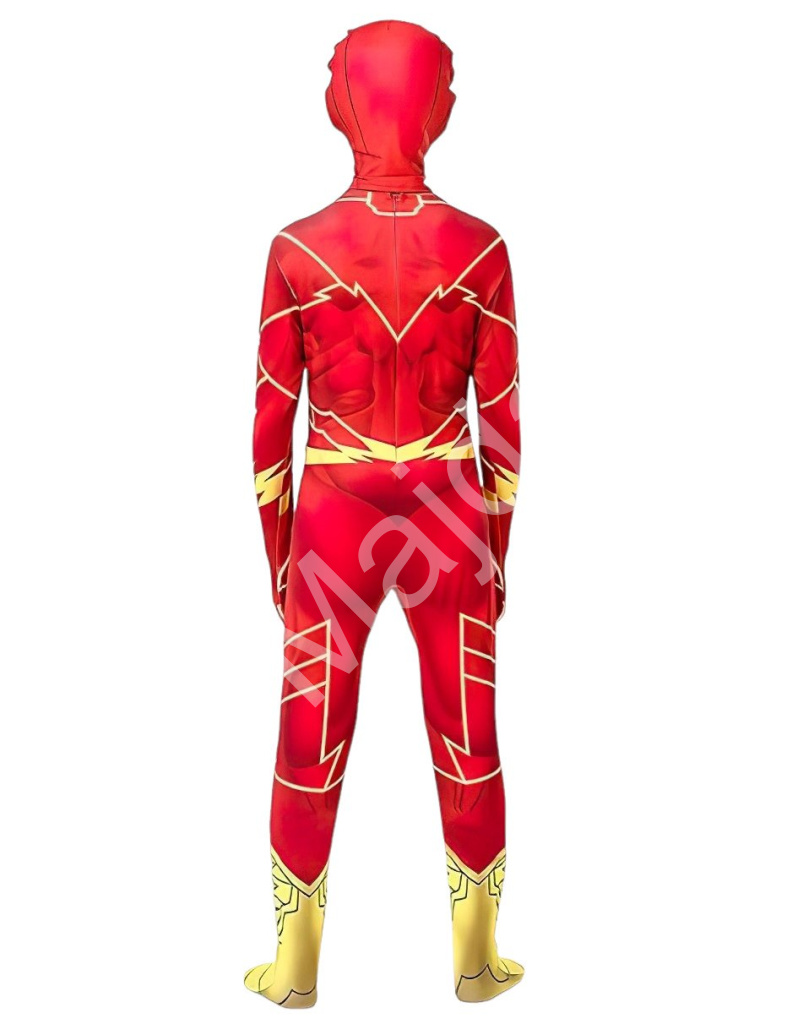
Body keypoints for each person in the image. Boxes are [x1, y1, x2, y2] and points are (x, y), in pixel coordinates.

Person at [244, 18, 523, 1006]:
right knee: (467, 726)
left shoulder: (294, 249)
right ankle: (476, 963)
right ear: (434, 108)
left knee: (308, 729)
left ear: (345, 104)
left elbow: (268, 431)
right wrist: (495, 556)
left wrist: (281, 560)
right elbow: (503, 428)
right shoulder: (481, 248)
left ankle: (294, 968)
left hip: (334, 513)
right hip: (448, 513)